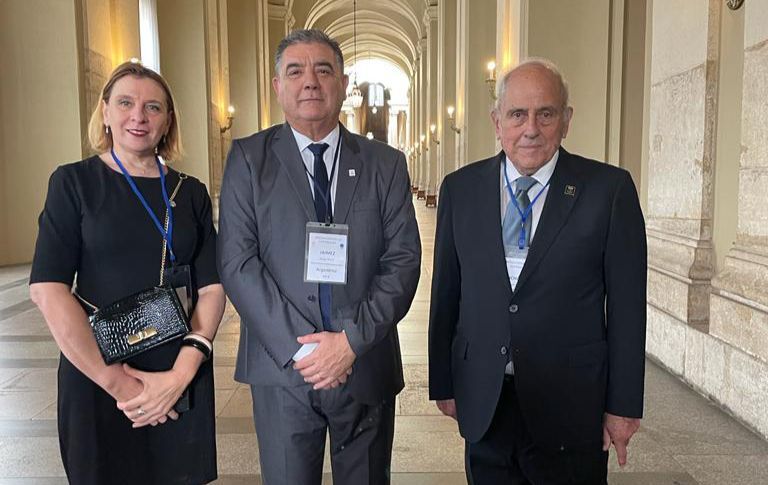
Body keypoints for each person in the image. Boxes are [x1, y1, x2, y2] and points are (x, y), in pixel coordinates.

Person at [428, 59, 647, 484]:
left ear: (566, 121)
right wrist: (444, 382)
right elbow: (447, 294)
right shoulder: (461, 190)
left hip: (571, 405)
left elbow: (626, 309)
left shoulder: (609, 191)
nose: (531, 128)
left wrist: (623, 406)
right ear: (497, 122)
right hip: (486, 398)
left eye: (545, 114)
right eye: (517, 114)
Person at [217, 29, 421, 485]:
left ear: (343, 83)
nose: (310, 81)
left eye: (323, 70)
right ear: (278, 87)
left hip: (364, 362)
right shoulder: (250, 160)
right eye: (295, 71)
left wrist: (348, 343)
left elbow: (403, 260)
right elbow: (237, 262)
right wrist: (302, 351)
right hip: (282, 367)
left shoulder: (384, 163)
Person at [29, 61, 225, 484]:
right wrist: (119, 384)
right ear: (105, 111)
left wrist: (183, 372)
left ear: (168, 121)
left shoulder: (189, 192)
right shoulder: (73, 183)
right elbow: (48, 289)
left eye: (153, 107)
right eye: (125, 103)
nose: (139, 116)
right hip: (97, 371)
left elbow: (212, 287)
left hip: (178, 365)